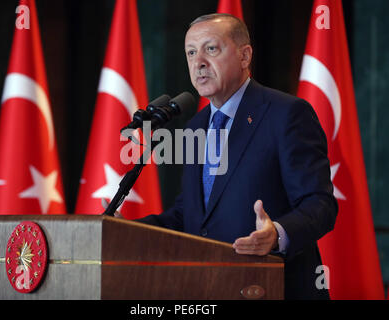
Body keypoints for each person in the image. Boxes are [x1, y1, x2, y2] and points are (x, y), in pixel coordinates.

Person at [122, 13, 338, 300]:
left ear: (245, 56)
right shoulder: (195, 126)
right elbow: (189, 215)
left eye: (211, 49)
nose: (198, 62)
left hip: (274, 288)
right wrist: (123, 230)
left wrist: (278, 234)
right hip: (208, 289)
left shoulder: (286, 114)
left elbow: (320, 204)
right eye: (190, 52)